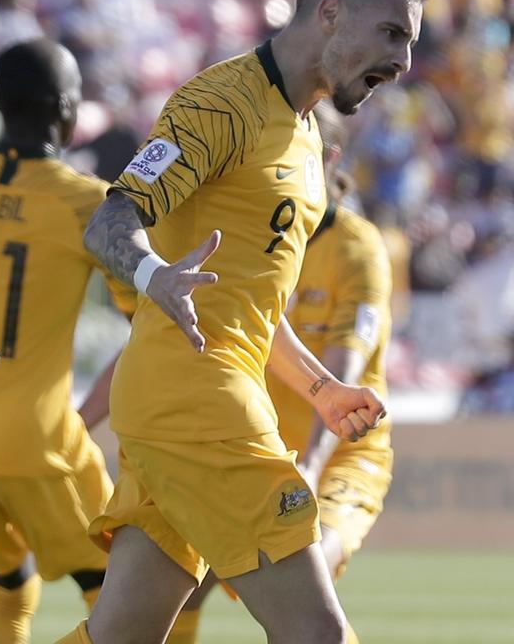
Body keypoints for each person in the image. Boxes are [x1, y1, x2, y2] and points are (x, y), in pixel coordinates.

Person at [57, 0, 422, 644]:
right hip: (198, 403)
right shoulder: (220, 104)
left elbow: (253, 306)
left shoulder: (308, 139)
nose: (404, 62)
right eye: (392, 33)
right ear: (330, 12)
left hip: (200, 395)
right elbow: (111, 220)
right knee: (319, 635)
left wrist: (319, 389)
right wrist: (151, 275)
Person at [0, 39, 132, 644]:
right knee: (131, 598)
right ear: (66, 111)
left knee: (13, 589)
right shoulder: (86, 201)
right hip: (37, 444)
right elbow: (154, 321)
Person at [164, 106, 396, 644]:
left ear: (329, 160)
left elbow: (343, 370)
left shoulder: (357, 249)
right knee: (179, 580)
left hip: (340, 451)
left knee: (307, 586)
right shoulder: (255, 233)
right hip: (257, 449)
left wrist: (310, 470)